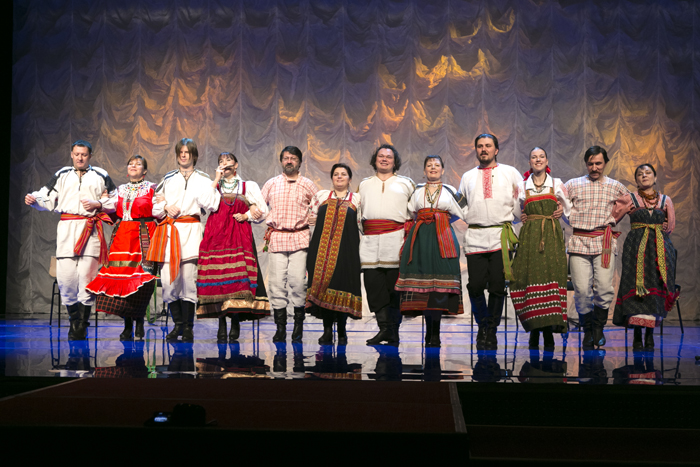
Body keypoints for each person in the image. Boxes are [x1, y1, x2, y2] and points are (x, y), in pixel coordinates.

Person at [25, 140, 116, 340]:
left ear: (89, 156)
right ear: (72, 155)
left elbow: (115, 199)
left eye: (84, 154)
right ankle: (75, 320)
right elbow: (46, 195)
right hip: (67, 230)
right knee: (66, 280)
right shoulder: (62, 174)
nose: (80, 158)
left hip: (89, 230)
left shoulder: (100, 174)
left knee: (87, 279)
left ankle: (82, 325)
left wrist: (98, 203)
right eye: (77, 154)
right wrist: (34, 198)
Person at [147, 138, 221, 343]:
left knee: (189, 281)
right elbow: (154, 205)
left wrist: (214, 182)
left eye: (187, 152)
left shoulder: (203, 179)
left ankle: (188, 327)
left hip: (191, 231)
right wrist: (165, 207)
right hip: (170, 232)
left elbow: (212, 204)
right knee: (169, 283)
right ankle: (177, 325)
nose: (183, 155)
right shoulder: (168, 178)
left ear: (194, 155)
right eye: (180, 151)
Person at [196, 152, 270, 343]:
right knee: (219, 277)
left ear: (236, 165)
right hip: (216, 235)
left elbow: (263, 211)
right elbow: (204, 203)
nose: (224, 163)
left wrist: (247, 215)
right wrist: (216, 179)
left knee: (237, 279)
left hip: (238, 235)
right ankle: (221, 322)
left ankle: (235, 319)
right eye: (221, 161)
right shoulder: (214, 186)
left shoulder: (248, 186)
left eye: (228, 160)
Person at [395, 155, 466, 347]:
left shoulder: (450, 190)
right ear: (424, 170)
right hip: (421, 237)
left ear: (443, 169)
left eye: (437, 165)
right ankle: (429, 332)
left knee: (440, 285)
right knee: (425, 287)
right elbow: (410, 212)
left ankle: (436, 332)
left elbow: (462, 212)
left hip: (443, 235)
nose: (433, 168)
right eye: (429, 165)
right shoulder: (417, 190)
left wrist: (442, 219)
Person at [458, 134, 522, 350]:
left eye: (488, 146)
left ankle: (491, 330)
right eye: (480, 146)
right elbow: (461, 202)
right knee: (475, 286)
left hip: (500, 237)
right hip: (475, 236)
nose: (483, 149)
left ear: (496, 150)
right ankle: (483, 325)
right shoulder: (468, 176)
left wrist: (512, 218)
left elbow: (520, 199)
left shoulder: (510, 172)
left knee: (497, 286)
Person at [86, 155, 158, 340]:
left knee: (141, 279)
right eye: (131, 164)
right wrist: (101, 202)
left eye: (138, 164)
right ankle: (127, 325)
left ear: (145, 171)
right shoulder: (120, 190)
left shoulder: (152, 188)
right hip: (122, 237)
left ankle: (139, 320)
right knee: (121, 280)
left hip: (143, 236)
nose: (133, 166)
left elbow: (159, 211)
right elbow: (109, 208)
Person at [564, 146, 628, 350]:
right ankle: (588, 330)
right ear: (586, 164)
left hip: (604, 242)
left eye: (598, 163)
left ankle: (598, 328)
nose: (594, 167)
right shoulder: (573, 184)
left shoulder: (615, 186)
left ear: (605, 163)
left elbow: (632, 203)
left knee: (604, 288)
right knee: (582, 290)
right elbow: (558, 204)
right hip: (580, 240)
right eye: (590, 163)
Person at [612, 164, 677, 351]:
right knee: (636, 286)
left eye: (648, 173)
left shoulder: (665, 200)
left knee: (655, 287)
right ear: (636, 180)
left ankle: (649, 334)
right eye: (640, 174)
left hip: (658, 249)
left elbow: (670, 227)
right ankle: (637, 335)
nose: (644, 176)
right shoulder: (630, 198)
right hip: (635, 249)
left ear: (655, 178)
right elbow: (613, 217)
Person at [511, 147, 570, 350]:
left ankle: (548, 332)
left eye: (541, 157)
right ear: (529, 162)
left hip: (551, 236)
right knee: (529, 279)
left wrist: (561, 210)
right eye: (534, 157)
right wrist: (521, 216)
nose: (538, 160)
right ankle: (534, 330)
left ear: (547, 161)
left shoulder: (556, 184)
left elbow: (568, 212)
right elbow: (514, 212)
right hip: (529, 237)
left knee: (550, 279)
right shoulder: (522, 186)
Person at [261, 146, 318, 343]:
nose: (289, 161)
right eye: (286, 158)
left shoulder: (307, 184)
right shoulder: (272, 183)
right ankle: (280, 328)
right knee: (276, 284)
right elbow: (259, 206)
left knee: (298, 282)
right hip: (278, 237)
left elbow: (319, 205)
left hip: (299, 236)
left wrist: (315, 216)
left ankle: (298, 326)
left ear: (299, 162)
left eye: (293, 158)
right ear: (281, 161)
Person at [359, 144, 415, 346]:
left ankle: (393, 331)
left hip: (395, 241)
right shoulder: (364, 184)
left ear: (395, 161)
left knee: (394, 289)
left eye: (388, 157)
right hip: (370, 242)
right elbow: (359, 212)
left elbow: (414, 211)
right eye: (380, 156)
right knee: (374, 287)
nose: (384, 159)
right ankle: (383, 329)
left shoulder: (406, 183)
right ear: (375, 160)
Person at [306, 163, 363, 345]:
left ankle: (342, 331)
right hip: (321, 251)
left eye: (343, 174)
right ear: (331, 178)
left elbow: (361, 224)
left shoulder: (357, 199)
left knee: (342, 287)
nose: (339, 177)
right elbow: (311, 219)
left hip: (346, 252)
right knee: (323, 288)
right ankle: (327, 331)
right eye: (336, 174)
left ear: (350, 179)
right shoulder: (321, 196)